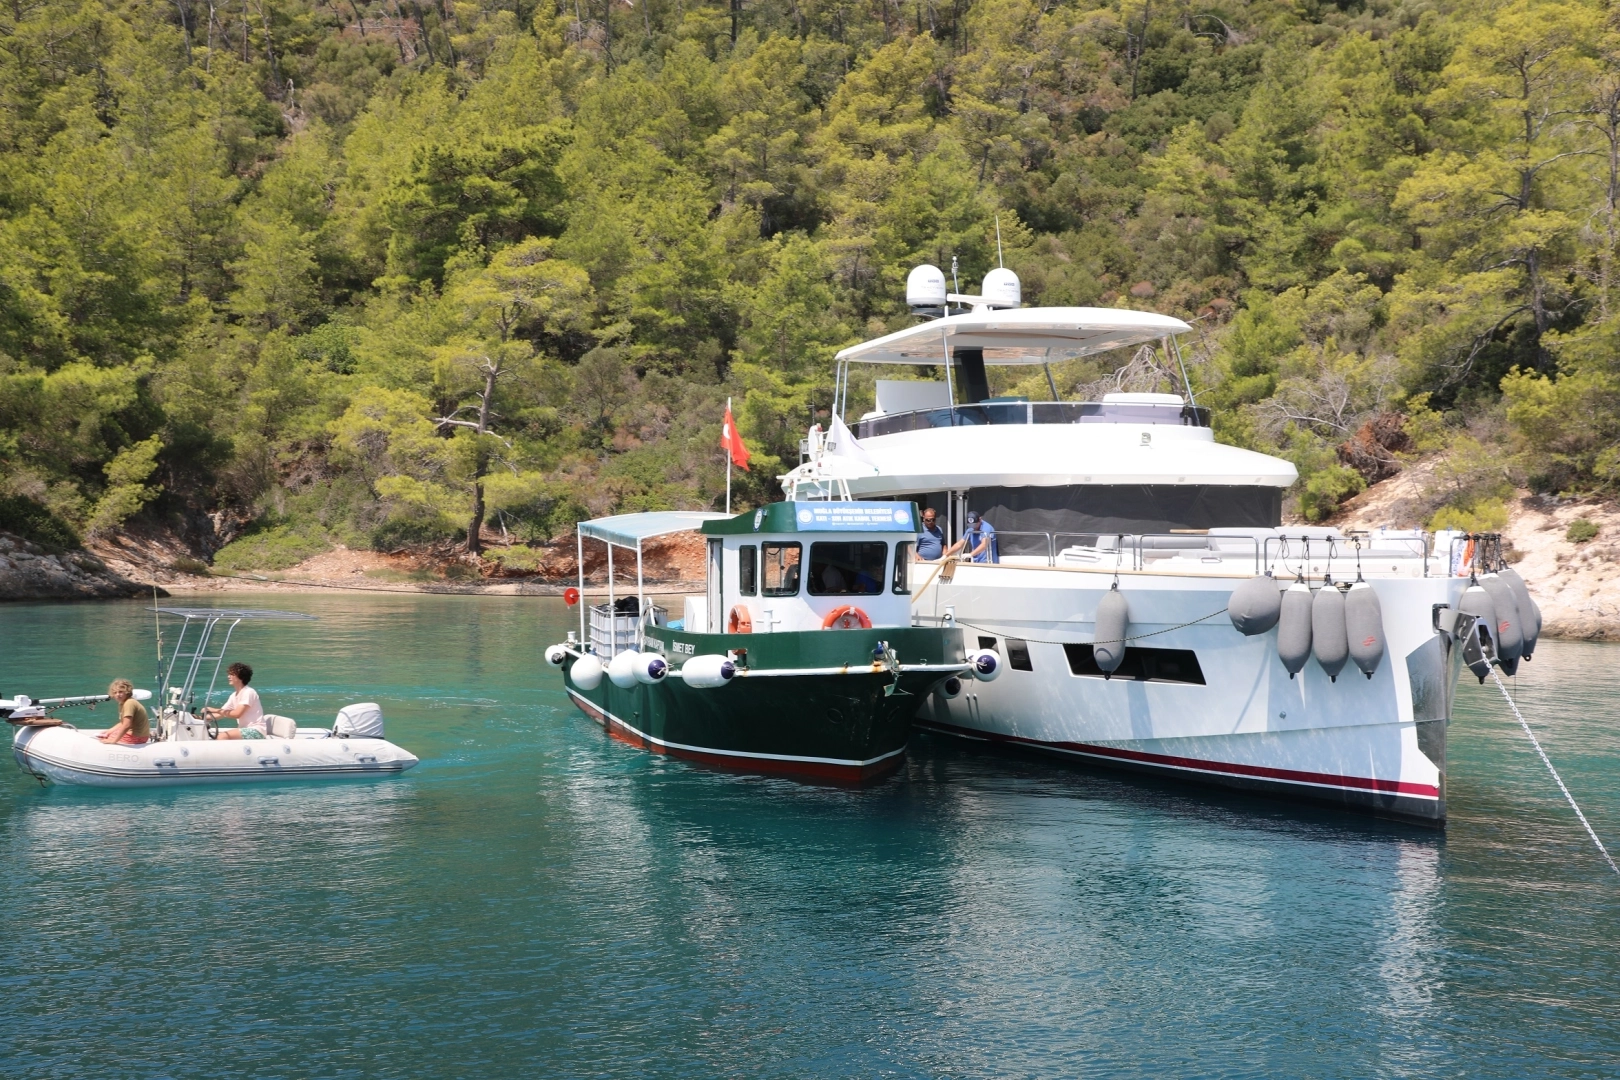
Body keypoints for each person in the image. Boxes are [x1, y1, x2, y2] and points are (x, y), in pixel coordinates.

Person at [201, 663, 266, 740]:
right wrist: (199, 718)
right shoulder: (233, 696)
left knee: (222, 736)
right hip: (244, 729)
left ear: (241, 677)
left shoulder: (248, 692)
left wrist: (213, 709)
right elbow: (221, 714)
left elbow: (236, 714)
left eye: (232, 674)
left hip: (256, 730)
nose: (228, 676)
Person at [98, 679, 150, 745]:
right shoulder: (123, 703)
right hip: (141, 736)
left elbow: (126, 725)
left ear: (127, 692)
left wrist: (114, 741)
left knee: (104, 740)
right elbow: (123, 723)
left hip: (137, 737)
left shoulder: (129, 703)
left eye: (120, 692)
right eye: (115, 692)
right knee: (107, 735)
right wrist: (109, 731)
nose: (117, 694)